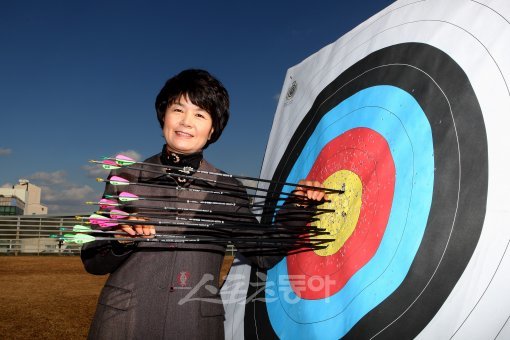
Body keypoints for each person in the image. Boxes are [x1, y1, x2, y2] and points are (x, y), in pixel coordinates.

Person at [81, 69, 325, 339]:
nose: (186, 122)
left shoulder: (228, 189)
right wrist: (118, 240)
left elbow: (263, 252)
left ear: (212, 130)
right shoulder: (125, 177)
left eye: (200, 114)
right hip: (123, 323)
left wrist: (299, 205)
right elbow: (93, 261)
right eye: (178, 109)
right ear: (164, 116)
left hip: (194, 325)